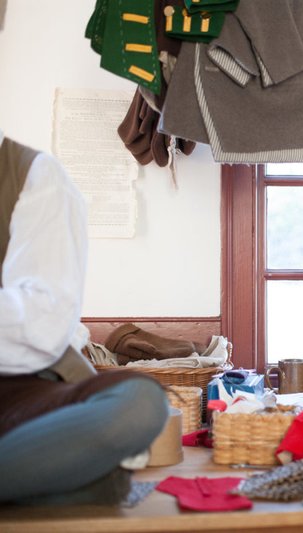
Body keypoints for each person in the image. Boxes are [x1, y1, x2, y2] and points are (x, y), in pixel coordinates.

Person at [0, 129, 168, 505]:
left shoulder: (35, 175)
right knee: (96, 481)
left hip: (25, 392)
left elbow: (43, 326)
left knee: (139, 403)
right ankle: (66, 482)